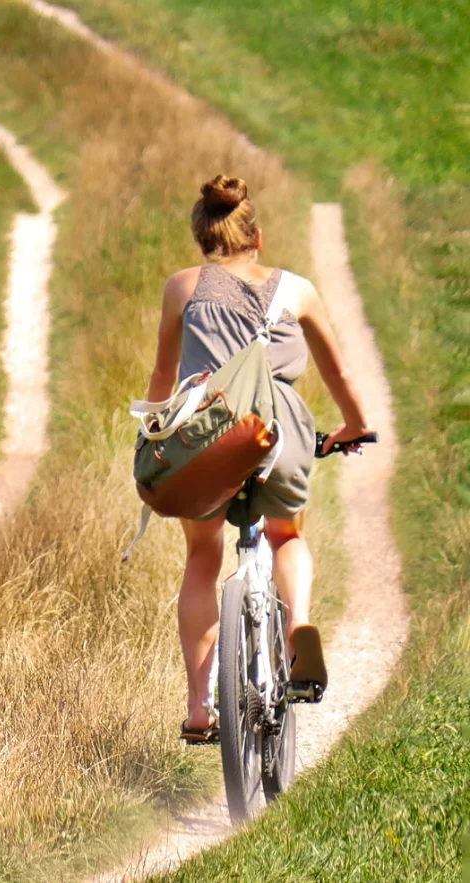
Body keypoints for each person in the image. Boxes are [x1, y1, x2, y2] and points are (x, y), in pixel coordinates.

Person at [146, 174, 372, 744]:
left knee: (203, 555)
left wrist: (155, 433)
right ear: (258, 237)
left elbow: (160, 377)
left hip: (206, 436)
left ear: (203, 240)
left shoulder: (181, 287)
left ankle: (200, 706)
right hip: (281, 434)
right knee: (286, 536)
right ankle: (296, 624)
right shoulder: (296, 290)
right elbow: (338, 372)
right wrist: (355, 425)